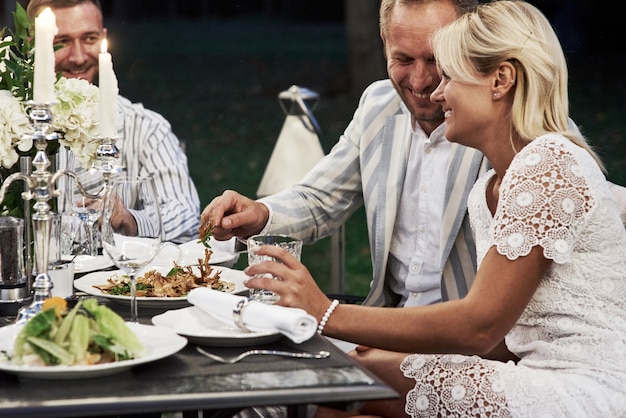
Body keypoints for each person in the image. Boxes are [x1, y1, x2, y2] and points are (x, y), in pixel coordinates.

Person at [242, 1, 626, 416]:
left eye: (448, 73)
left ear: (501, 80)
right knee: (326, 384)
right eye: (405, 59)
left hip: (579, 386)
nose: (433, 88)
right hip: (516, 361)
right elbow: (508, 328)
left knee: (325, 378)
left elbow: (480, 325)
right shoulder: (491, 187)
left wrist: (326, 312)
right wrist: (392, 343)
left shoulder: (546, 162)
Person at [203, 0, 626, 310]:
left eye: (437, 61)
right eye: (402, 59)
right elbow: (320, 199)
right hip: (390, 319)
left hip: (478, 344)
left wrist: (327, 314)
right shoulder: (377, 105)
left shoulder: (522, 133)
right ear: (384, 48)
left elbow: (583, 198)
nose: (422, 81)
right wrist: (259, 213)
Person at [27, 0, 201, 243]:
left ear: (103, 38)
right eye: (60, 42)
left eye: (89, 38)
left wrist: (131, 220)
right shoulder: (11, 127)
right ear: (33, 45)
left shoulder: (143, 127)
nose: (78, 57)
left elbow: (186, 216)